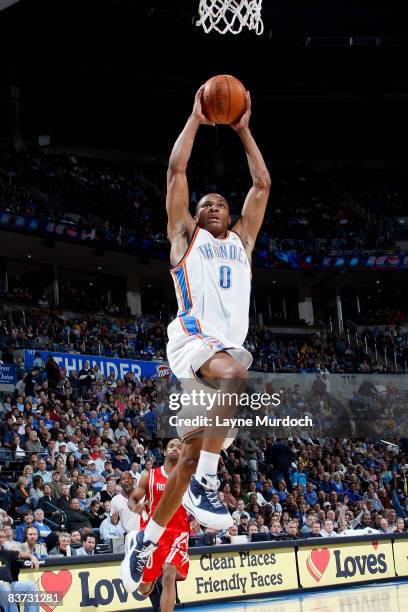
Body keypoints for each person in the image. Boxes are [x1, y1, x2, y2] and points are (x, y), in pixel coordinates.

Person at [125, 83, 270, 591]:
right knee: (237, 373)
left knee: (183, 461)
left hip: (219, 357)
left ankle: (149, 538)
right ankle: (210, 479)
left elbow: (262, 186)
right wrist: (194, 115)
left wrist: (244, 130)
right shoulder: (187, 240)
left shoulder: (244, 244)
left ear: (229, 215)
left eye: (219, 204)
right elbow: (177, 172)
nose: (211, 206)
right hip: (194, 344)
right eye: (204, 204)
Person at [121, 439, 190, 612]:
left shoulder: (188, 478)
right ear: (165, 452)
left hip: (177, 533)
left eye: (180, 447)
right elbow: (132, 498)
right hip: (153, 534)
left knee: (169, 576)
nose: (175, 449)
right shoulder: (149, 475)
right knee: (144, 588)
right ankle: (136, 549)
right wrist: (135, 507)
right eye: (171, 446)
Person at [0, 528, 40, 612]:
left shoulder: (6, 552)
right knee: (3, 585)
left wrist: (31, 556)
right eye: (0, 537)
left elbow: (21, 554)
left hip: (10, 587)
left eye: (3, 537)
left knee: (30, 586)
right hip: (2, 586)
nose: (1, 539)